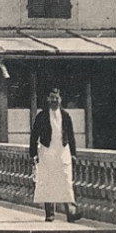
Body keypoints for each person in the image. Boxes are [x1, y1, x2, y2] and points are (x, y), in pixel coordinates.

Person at [29, 88, 79, 222]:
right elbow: (34, 136)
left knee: (66, 180)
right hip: (47, 151)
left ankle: (71, 213)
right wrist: (33, 153)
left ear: (60, 99)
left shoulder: (66, 116)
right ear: (47, 99)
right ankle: (50, 213)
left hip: (63, 151)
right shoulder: (41, 116)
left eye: (56, 98)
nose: (54, 100)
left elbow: (71, 136)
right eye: (51, 98)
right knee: (48, 181)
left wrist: (73, 154)